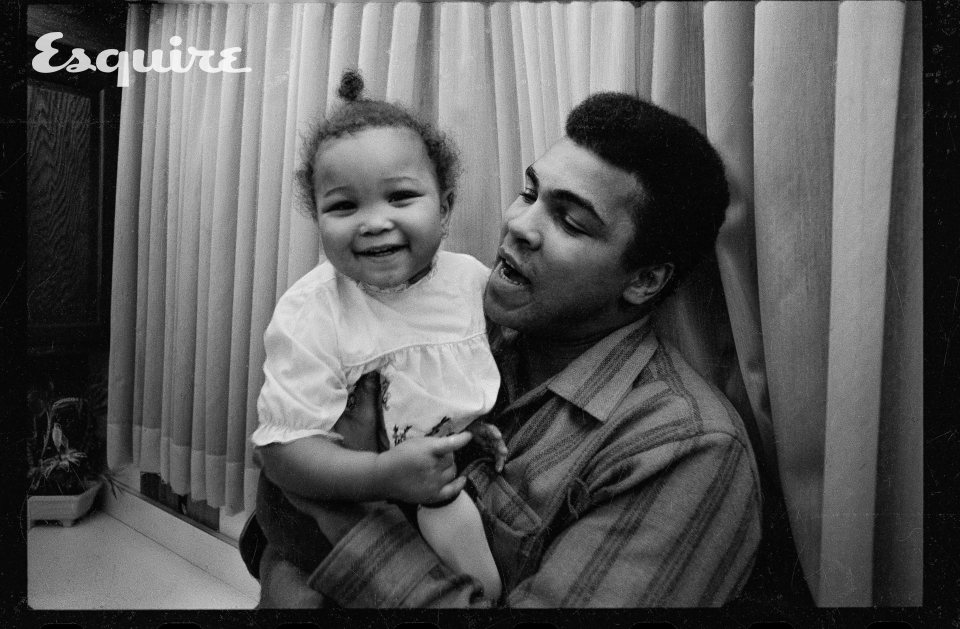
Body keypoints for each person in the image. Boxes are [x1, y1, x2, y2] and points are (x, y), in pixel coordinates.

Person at [240, 90, 762, 607]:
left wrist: (329, 512)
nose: (518, 223)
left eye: (570, 221)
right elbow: (269, 518)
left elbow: (293, 502)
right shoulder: (463, 325)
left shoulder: (685, 450)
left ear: (645, 281)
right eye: (529, 193)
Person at [250, 70, 506, 601]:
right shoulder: (312, 312)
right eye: (344, 206)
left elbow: (455, 379)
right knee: (302, 595)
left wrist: (470, 426)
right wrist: (379, 475)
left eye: (401, 197)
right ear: (317, 219)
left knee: (484, 590)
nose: (373, 222)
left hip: (424, 490)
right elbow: (282, 452)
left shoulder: (471, 284)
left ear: (446, 206)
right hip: (327, 491)